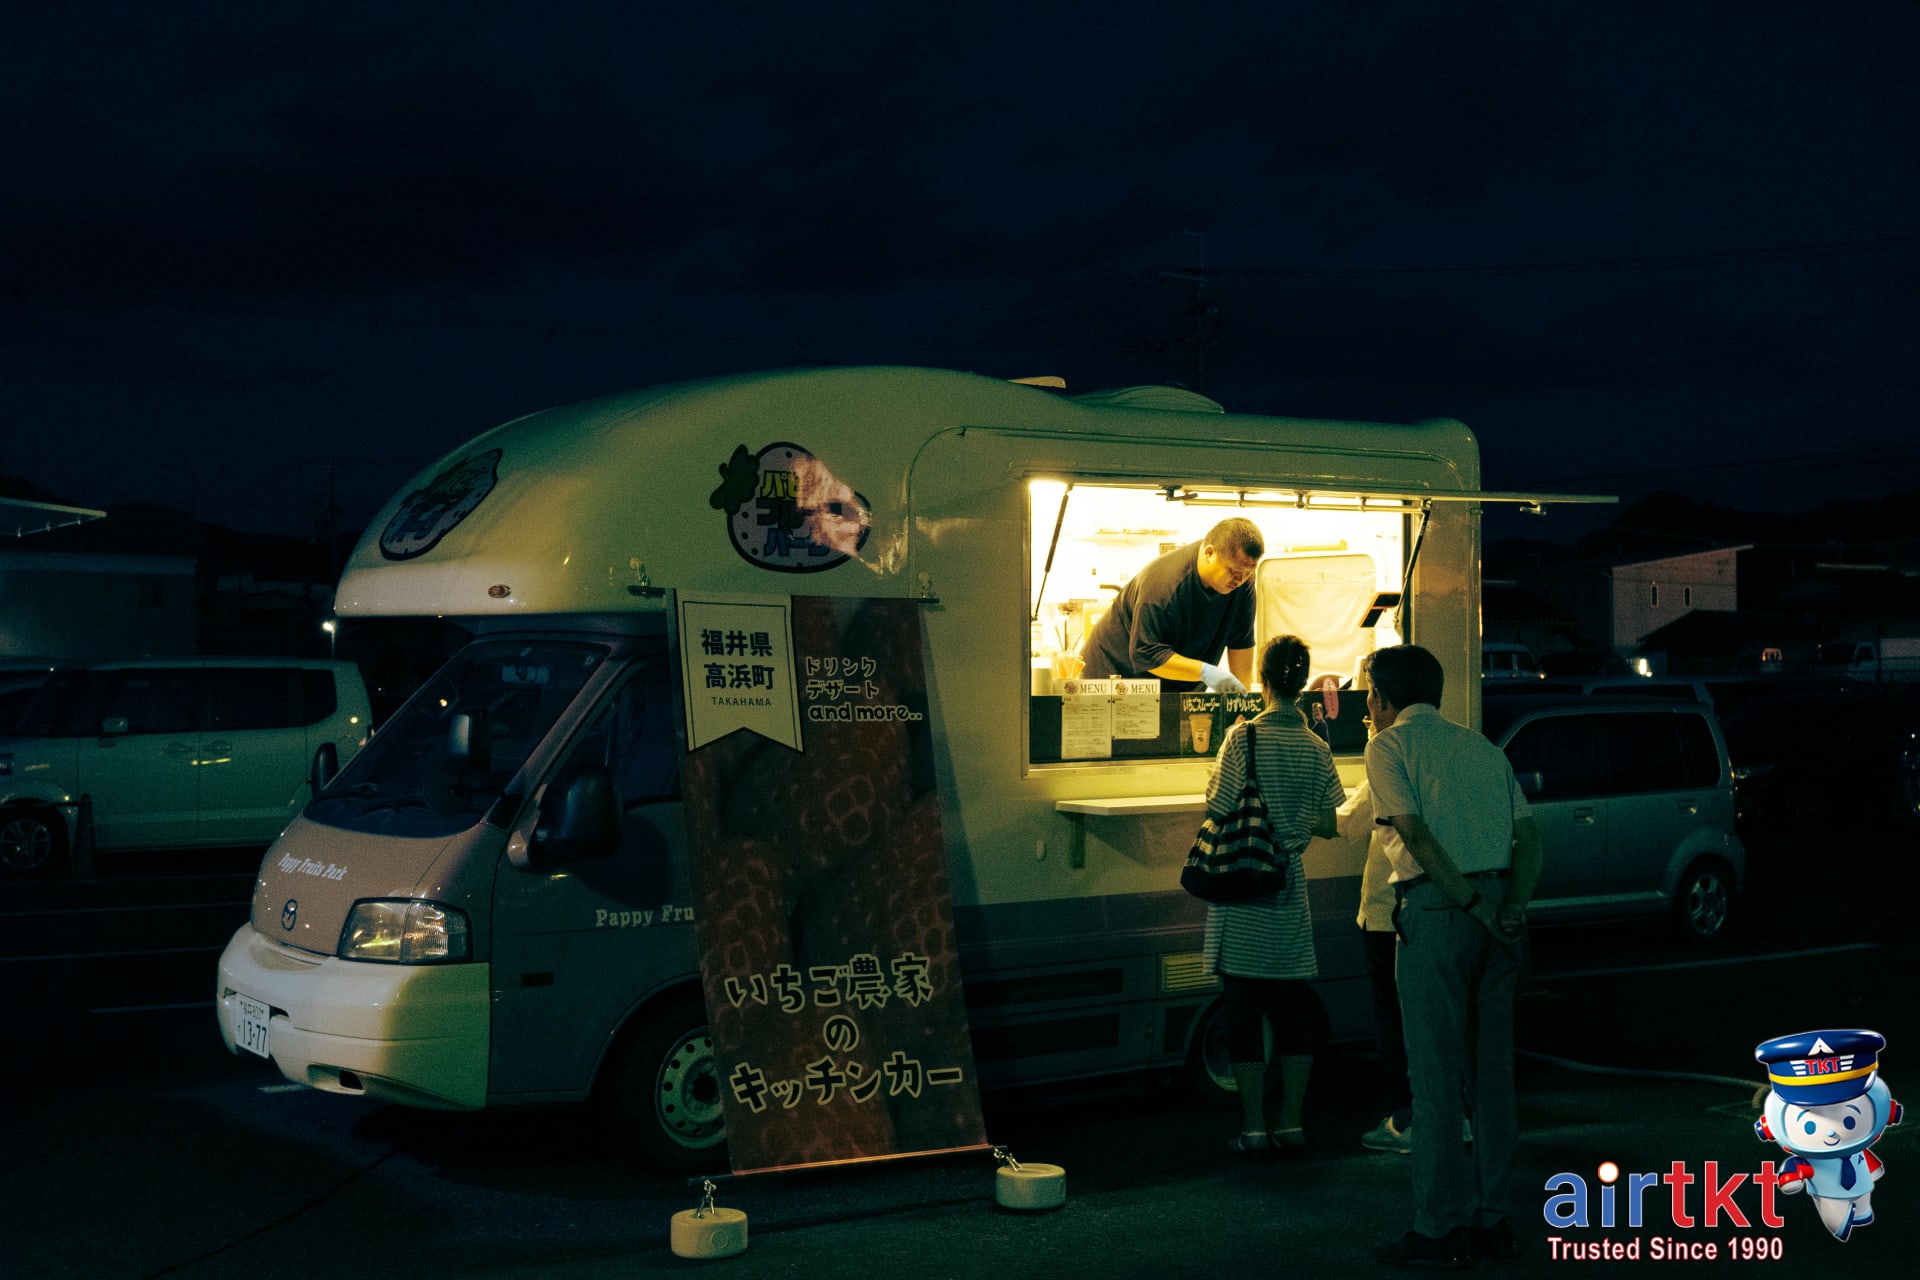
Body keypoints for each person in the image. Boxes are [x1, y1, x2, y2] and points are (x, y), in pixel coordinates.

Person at [1363, 644, 1541, 1268]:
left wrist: (1468, 904)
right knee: (1492, 1076)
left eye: (1369, 697)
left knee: (1434, 1080)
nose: (1368, 709)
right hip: (1499, 911)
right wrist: (1509, 905)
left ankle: (1439, 1228)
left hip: (1442, 910)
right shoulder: (1484, 749)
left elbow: (1413, 831)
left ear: (1381, 699)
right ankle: (1495, 1221)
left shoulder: (1388, 747)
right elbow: (1529, 835)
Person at [1201, 635, 1345, 1156]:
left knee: (1243, 1012)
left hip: (1245, 891)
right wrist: (1296, 824)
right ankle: (1291, 1123)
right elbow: (1331, 821)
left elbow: (1218, 807)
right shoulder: (1316, 746)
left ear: (1262, 681)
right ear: (1302, 682)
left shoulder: (1244, 739)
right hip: (1289, 891)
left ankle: (1255, 1128)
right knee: (1292, 1012)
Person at [1079, 517, 1261, 692]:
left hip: (1170, 688)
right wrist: (1205, 672)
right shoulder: (1164, 585)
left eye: (1247, 572)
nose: (1239, 579)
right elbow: (1147, 654)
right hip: (1113, 677)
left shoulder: (1242, 583)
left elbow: (1241, 642)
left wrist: (1243, 704)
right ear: (1209, 553)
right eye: (1233, 571)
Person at [1336, 777, 1415, 1154]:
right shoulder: (1447, 755)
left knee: (1391, 1016)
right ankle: (1453, 1117)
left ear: (1385, 712)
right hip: (1432, 909)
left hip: (1387, 915)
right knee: (1432, 1017)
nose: (1366, 721)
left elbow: (1342, 823)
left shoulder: (1387, 759)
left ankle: (1404, 1120)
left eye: (1369, 713)